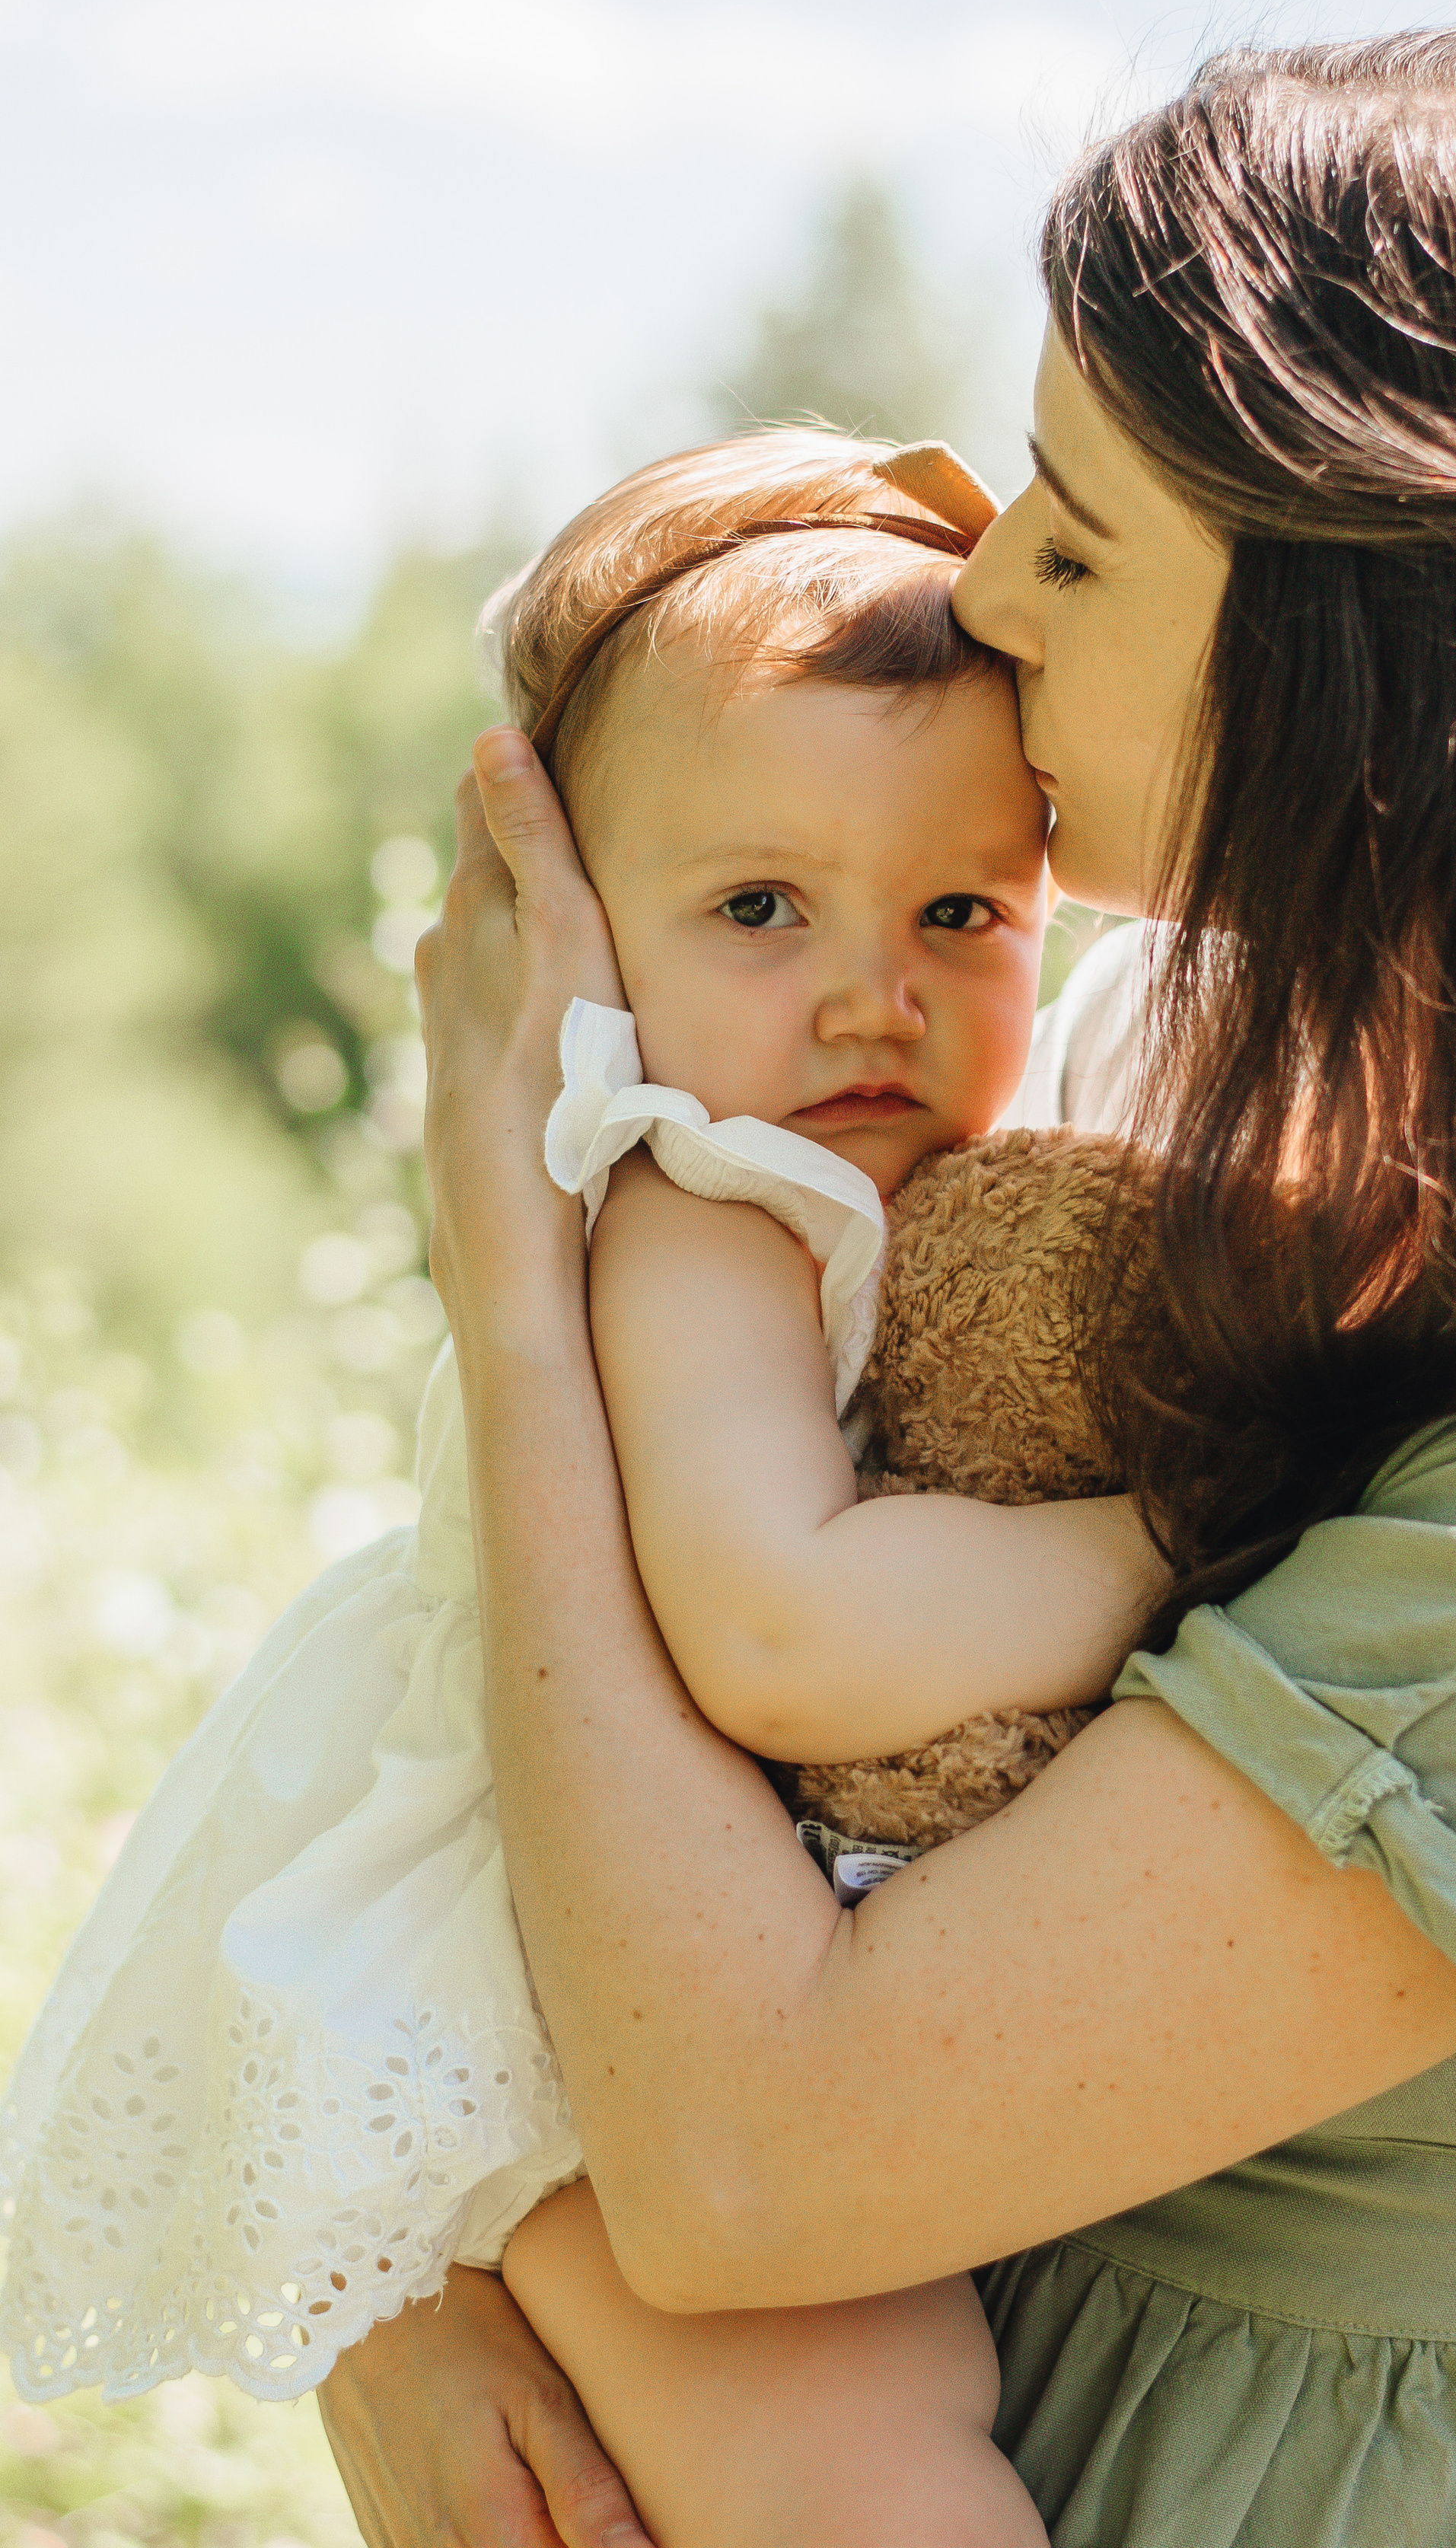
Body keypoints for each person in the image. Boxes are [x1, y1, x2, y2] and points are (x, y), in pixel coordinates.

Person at [323, 27, 1456, 2548]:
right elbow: (522, 1714)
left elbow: (756, 2167)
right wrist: (432, 2272)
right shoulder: (1147, 1040)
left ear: (1386, 641)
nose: (981, 593)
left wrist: (519, 1270)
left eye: (1081, 544)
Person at [2, 429, 1181, 2546]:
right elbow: (784, 1631)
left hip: (642, 1949)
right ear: (582, 944)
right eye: (756, 907)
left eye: (957, 912)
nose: (867, 991)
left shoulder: (891, 1189)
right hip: (556, 1990)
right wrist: (1184, 1531)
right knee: (879, 2476)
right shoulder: (701, 1206)